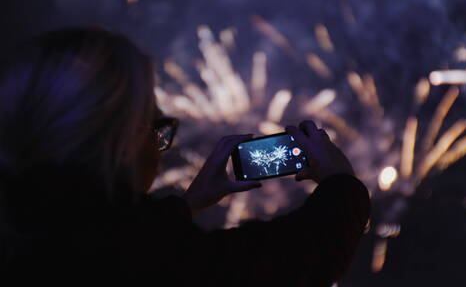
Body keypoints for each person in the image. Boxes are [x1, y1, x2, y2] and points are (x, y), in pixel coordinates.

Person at [0, 28, 370, 286]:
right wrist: (342, 185)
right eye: (156, 127)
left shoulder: (33, 237)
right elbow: (295, 262)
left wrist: (185, 205)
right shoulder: (147, 266)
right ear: (118, 141)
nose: (164, 146)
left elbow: (117, 237)